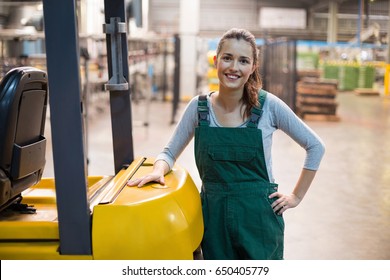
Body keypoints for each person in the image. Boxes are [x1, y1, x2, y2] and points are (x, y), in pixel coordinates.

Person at [127, 28, 325, 260]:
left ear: (252, 68)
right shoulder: (199, 109)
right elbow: (169, 152)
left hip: (259, 221)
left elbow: (315, 146)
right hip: (213, 219)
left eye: (243, 61)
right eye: (227, 58)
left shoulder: (269, 107)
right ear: (216, 60)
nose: (234, 67)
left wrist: (296, 197)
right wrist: (158, 170)